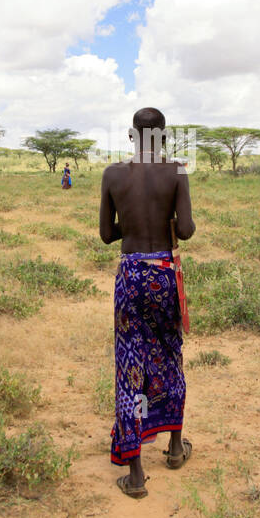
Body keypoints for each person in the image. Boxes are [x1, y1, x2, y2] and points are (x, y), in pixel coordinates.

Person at [99, 107, 195, 498]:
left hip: (130, 276)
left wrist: (134, 224)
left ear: (131, 136)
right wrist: (162, 222)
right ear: (164, 136)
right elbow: (185, 231)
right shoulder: (177, 172)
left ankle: (136, 474)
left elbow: (107, 234)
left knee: (130, 368)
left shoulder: (113, 175)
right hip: (163, 274)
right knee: (170, 357)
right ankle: (174, 448)